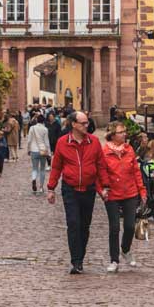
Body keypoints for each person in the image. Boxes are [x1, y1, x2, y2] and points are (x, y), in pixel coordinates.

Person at [46, 110, 109, 275]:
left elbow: (101, 166)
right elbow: (57, 166)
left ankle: (80, 256)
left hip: (88, 189)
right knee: (73, 224)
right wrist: (51, 188)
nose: (86, 125)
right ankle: (76, 261)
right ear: (73, 124)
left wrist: (105, 187)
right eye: (83, 123)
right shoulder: (62, 142)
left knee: (84, 226)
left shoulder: (94, 142)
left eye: (87, 122)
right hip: (70, 189)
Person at [99, 122, 145, 272]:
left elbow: (136, 172)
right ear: (112, 135)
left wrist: (142, 191)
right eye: (121, 132)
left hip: (130, 192)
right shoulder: (104, 151)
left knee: (130, 226)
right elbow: (100, 172)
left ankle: (125, 249)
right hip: (112, 193)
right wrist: (102, 190)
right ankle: (114, 260)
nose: (124, 134)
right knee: (114, 227)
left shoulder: (129, 149)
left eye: (124, 131)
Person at [26, 113, 52, 194]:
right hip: (42, 150)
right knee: (42, 169)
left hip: (34, 150)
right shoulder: (45, 129)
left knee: (34, 168)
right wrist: (49, 153)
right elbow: (47, 142)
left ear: (37, 120)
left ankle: (34, 179)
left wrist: (28, 149)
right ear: (43, 121)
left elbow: (29, 140)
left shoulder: (32, 128)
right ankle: (41, 187)